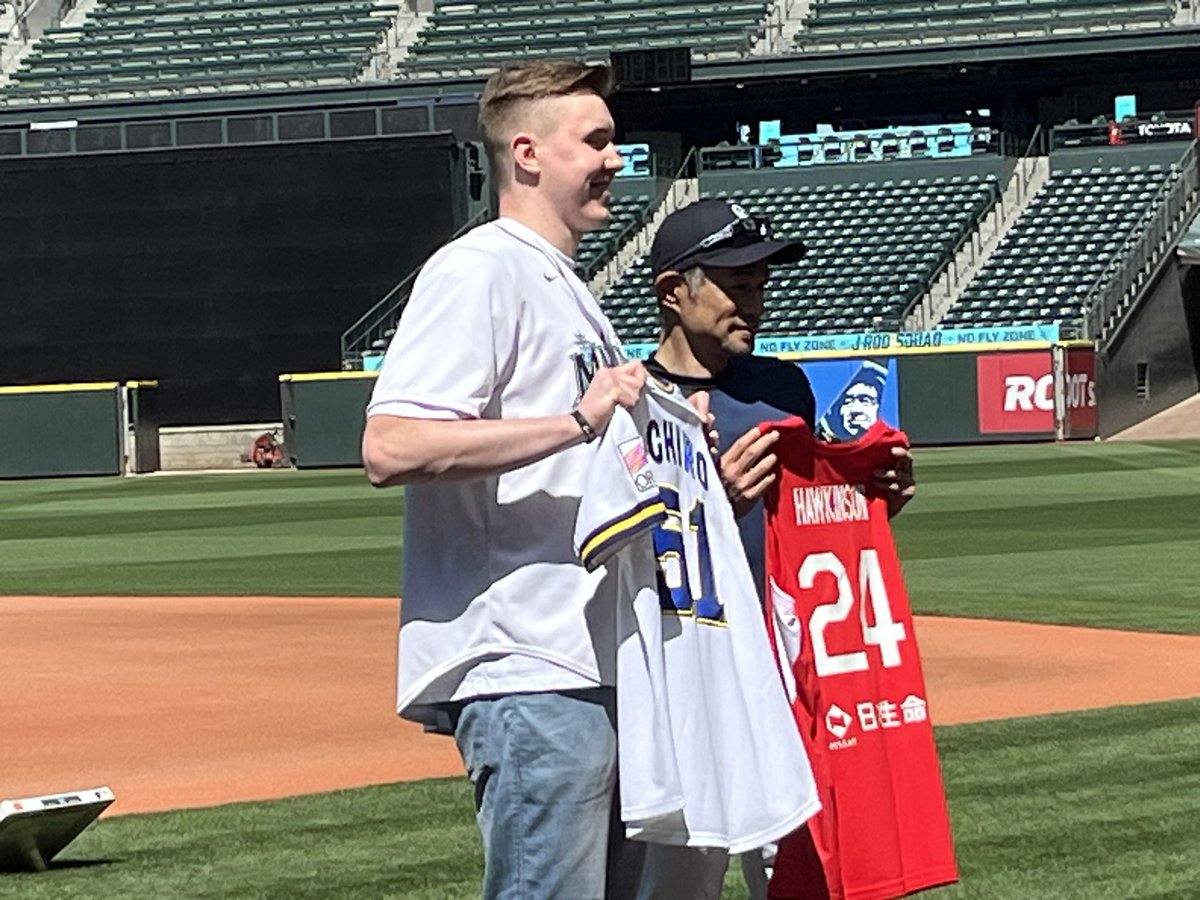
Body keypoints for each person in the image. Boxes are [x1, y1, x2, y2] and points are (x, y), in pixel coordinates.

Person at [361, 59, 647, 899]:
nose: (616, 160)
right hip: (526, 664)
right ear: (526, 153)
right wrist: (578, 422)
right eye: (595, 141)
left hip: (585, 659)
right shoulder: (479, 267)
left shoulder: (569, 287)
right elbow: (393, 445)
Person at [642, 197, 916, 898]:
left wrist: (869, 499)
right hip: (688, 680)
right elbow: (616, 561)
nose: (754, 302)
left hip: (788, 676)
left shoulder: (782, 387)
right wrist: (713, 505)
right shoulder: (633, 400)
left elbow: (810, 521)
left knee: (806, 874)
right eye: (736, 285)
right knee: (678, 879)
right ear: (674, 292)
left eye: (760, 284)